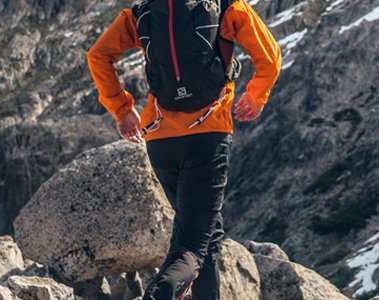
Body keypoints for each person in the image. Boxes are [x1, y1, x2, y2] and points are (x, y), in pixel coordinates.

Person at [86, 0, 280, 298]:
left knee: (208, 236)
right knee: (190, 245)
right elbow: (269, 58)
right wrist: (255, 96)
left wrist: (122, 109)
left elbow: (98, 55)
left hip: (160, 141)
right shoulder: (228, 7)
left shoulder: (140, 14)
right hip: (207, 137)